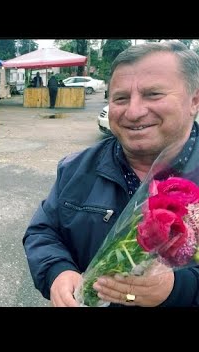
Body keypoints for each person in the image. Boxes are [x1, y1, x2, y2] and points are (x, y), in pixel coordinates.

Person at [23, 40, 199, 307]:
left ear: (194, 100)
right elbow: (43, 231)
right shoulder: (75, 168)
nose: (134, 111)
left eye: (153, 94)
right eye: (120, 98)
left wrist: (178, 289)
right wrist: (57, 271)